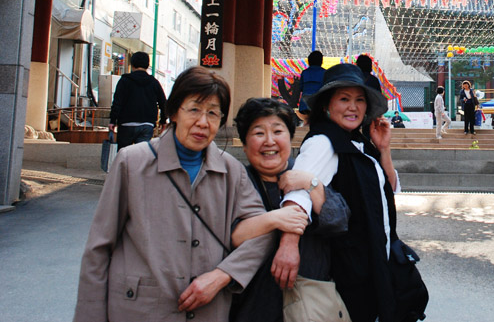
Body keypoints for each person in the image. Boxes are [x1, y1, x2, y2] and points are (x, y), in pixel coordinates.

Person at [74, 66, 272, 322]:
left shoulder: (231, 171)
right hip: (140, 309)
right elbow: (99, 248)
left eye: (213, 113)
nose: (203, 122)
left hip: (207, 311)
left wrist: (223, 275)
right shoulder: (131, 163)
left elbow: (262, 233)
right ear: (175, 111)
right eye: (194, 109)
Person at [281, 63, 404, 322]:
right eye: (344, 99)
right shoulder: (322, 142)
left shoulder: (359, 143)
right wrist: (288, 245)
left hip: (371, 261)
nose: (353, 107)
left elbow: (388, 191)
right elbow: (297, 194)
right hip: (344, 271)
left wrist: (383, 149)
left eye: (360, 100)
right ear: (327, 105)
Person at [229, 97, 350, 322]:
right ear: (244, 144)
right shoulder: (236, 183)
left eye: (277, 131)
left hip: (309, 307)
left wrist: (311, 183)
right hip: (253, 306)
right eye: (258, 133)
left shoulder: (309, 174)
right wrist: (277, 219)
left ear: (291, 137)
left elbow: (339, 219)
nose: (269, 141)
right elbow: (229, 236)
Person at [108, 51, 167, 149]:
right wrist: (163, 120)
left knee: (124, 155)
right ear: (147, 65)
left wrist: (113, 120)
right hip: (147, 124)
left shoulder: (124, 81)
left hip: (126, 124)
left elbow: (117, 102)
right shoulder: (154, 83)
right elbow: (163, 102)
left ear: (132, 64)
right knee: (142, 156)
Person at [298, 50, 326, 116]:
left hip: (305, 104)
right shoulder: (325, 73)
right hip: (319, 104)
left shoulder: (305, 72)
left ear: (309, 61)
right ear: (321, 61)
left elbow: (301, 88)